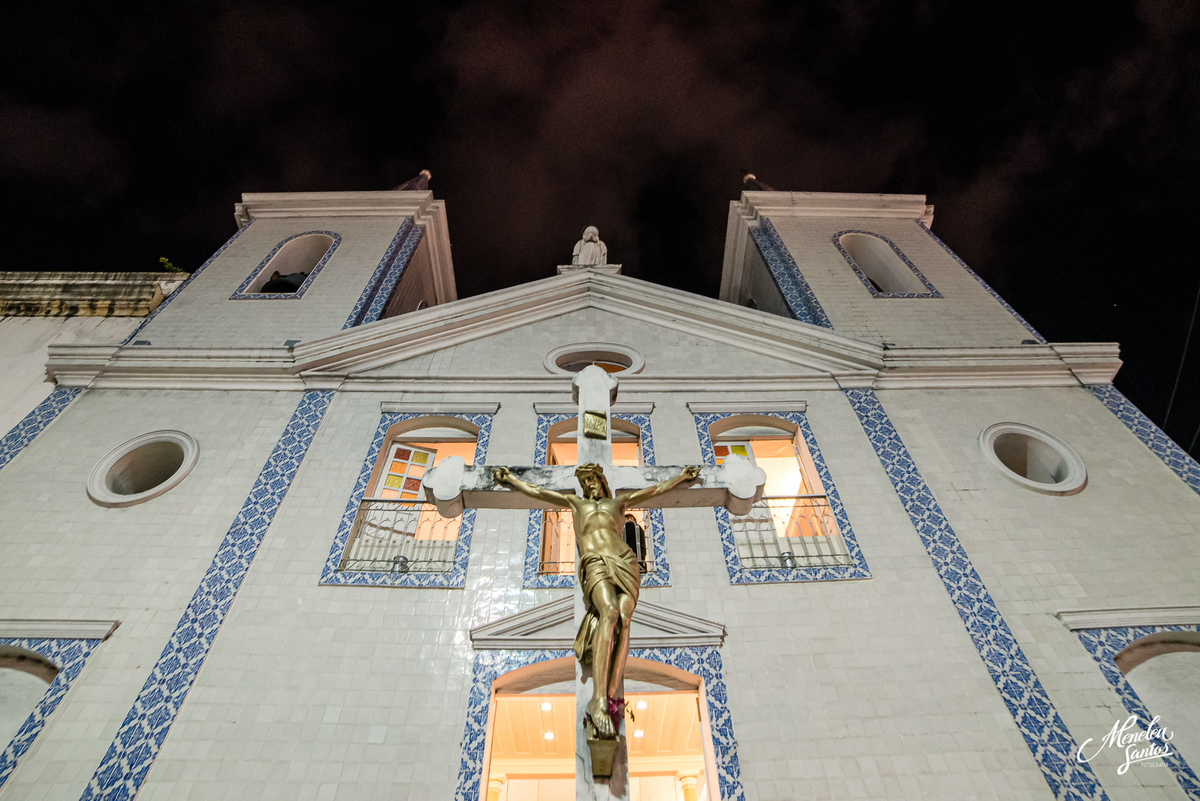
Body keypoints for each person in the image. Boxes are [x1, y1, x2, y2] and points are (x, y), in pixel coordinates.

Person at [491, 462, 700, 738]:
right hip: (595, 562)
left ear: (601, 479)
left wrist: (681, 478)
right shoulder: (576, 503)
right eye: (584, 481)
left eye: (591, 479)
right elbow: (539, 492)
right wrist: (512, 480)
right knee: (609, 611)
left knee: (624, 618)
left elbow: (654, 490)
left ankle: (611, 693)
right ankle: (598, 698)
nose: (588, 484)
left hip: (625, 561)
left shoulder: (619, 503)